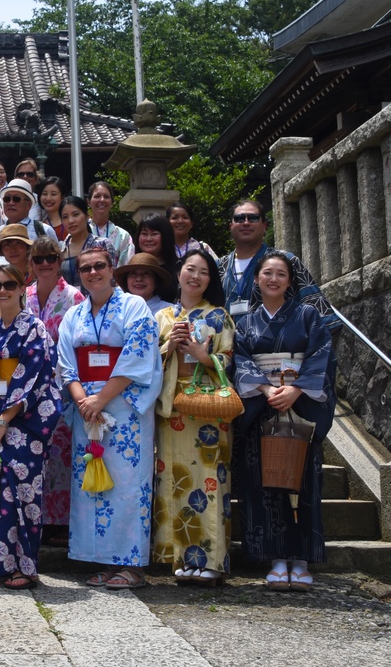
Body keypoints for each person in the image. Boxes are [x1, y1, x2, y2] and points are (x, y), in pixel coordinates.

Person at [56, 241, 162, 590]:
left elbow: (136, 358)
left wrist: (101, 399)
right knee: (91, 487)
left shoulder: (134, 308)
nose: (92, 273)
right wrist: (84, 401)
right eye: (85, 268)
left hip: (123, 409)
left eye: (99, 265)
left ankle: (130, 564)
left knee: (127, 485)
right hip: (87, 410)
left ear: (112, 268)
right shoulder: (74, 315)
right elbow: (66, 366)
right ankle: (100, 560)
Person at [232, 251, 336, 592]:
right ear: (257, 280)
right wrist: (265, 388)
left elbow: (322, 356)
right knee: (265, 484)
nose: (273, 279)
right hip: (262, 408)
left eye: (280, 274)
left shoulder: (307, 315)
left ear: (290, 281)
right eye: (267, 274)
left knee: (305, 482)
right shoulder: (245, 322)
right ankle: (276, 558)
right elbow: (242, 361)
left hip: (300, 407)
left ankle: (303, 559)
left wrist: (296, 390)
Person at [0, 264, 60, 589]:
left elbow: (36, 377)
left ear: (22, 288)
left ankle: (27, 565)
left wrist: (6, 419)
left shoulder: (35, 329)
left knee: (25, 492)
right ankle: (4, 562)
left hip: (25, 423)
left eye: (9, 284)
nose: (2, 290)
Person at [151, 249, 234, 586]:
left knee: (210, 482)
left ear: (210, 280)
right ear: (179, 273)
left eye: (203, 272)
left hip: (207, 410)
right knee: (175, 478)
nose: (195, 276)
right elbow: (146, 363)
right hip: (172, 409)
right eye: (190, 269)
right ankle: (183, 557)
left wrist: (203, 355)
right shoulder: (163, 318)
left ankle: (212, 559)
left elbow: (229, 361)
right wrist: (167, 347)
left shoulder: (219, 317)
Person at [25, 236, 85, 542]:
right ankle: (36, 518)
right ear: (31, 264)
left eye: (51, 258)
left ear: (60, 262)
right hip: (26, 389)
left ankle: (60, 523)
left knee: (61, 452)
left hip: (61, 385)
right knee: (34, 452)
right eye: (39, 259)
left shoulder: (74, 298)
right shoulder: (24, 296)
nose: (45, 263)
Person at [218, 200, 339, 334]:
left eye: (253, 218)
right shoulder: (218, 267)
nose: (246, 222)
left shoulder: (286, 261)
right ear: (230, 226)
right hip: (226, 351)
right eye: (239, 218)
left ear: (264, 226)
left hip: (278, 349)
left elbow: (321, 318)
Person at [0, 179, 58, 246]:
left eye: (16, 199)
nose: (11, 203)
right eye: (7, 199)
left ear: (29, 205)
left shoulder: (44, 230)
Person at [58, 195, 101, 290]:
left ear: (87, 216)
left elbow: (111, 280)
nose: (71, 221)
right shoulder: (59, 249)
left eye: (75, 214)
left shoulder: (101, 244)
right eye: (65, 217)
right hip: (68, 303)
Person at [87, 181, 134, 267]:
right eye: (97, 196)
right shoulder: (81, 231)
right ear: (89, 202)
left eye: (106, 197)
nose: (102, 200)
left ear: (112, 203)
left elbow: (128, 266)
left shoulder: (123, 236)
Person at [134, 213, 178, 301]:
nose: (148, 239)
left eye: (154, 234)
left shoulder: (178, 268)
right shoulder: (131, 267)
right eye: (144, 233)